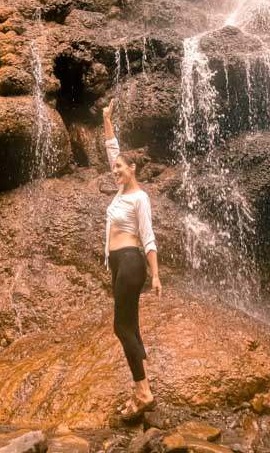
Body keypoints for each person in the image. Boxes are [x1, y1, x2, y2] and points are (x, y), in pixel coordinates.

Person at [103, 98, 162, 420]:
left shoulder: (140, 198)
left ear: (133, 169)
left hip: (131, 261)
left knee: (120, 326)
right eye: (114, 168)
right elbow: (113, 149)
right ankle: (143, 385)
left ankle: (143, 389)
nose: (116, 171)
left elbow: (148, 236)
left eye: (121, 168)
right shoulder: (119, 191)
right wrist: (107, 118)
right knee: (130, 326)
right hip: (117, 264)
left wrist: (156, 275)